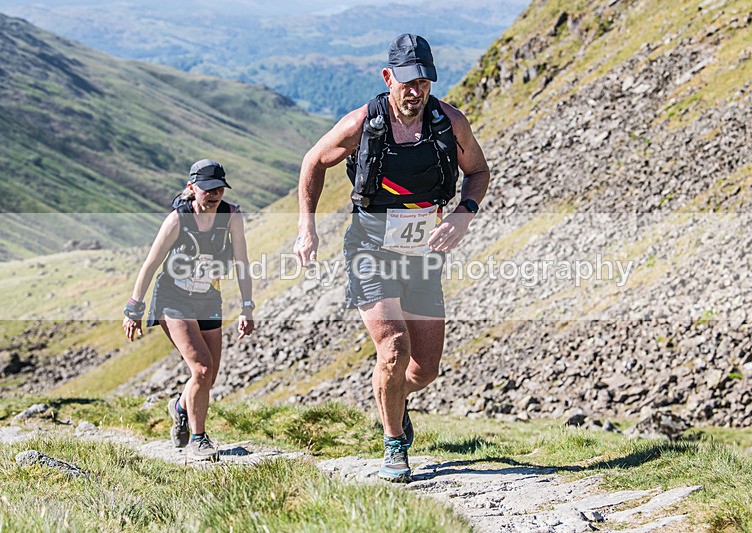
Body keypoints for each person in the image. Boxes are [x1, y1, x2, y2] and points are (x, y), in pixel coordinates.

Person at [294, 34, 490, 482]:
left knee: (425, 369)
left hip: (422, 256)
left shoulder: (449, 122)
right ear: (388, 78)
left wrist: (464, 214)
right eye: (406, 81)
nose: (414, 90)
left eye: (423, 80)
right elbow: (312, 161)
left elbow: (478, 171)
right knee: (394, 347)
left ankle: (393, 398)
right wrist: (306, 225)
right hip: (369, 248)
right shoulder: (364, 123)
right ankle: (394, 443)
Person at [123, 159, 256, 461]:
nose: (214, 194)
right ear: (191, 188)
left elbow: (242, 263)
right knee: (202, 368)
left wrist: (247, 307)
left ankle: (180, 407)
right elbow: (150, 264)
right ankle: (199, 438)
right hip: (174, 298)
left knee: (209, 377)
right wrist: (134, 309)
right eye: (207, 189)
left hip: (209, 298)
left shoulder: (231, 216)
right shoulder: (177, 219)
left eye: (219, 188)